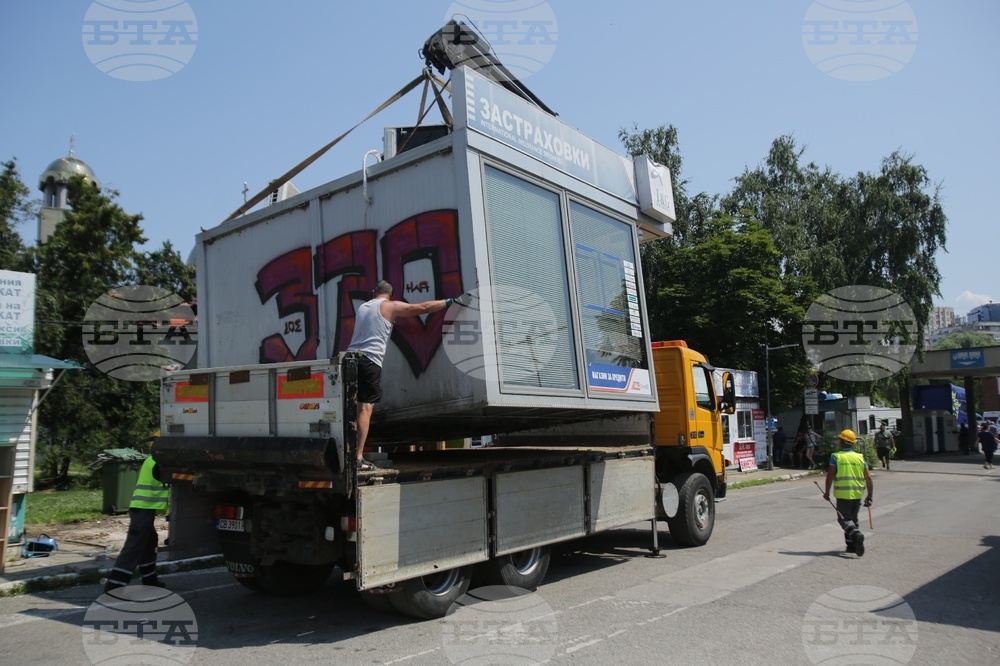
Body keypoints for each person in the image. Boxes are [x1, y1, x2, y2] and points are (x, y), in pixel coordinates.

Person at [346, 280, 464, 471]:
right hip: (370, 361)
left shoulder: (362, 307)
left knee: (348, 409)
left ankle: (347, 452)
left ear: (373, 291)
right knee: (365, 409)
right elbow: (422, 307)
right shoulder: (389, 306)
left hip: (350, 360)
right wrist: (450, 302)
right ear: (389, 295)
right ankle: (358, 457)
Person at [103, 454, 169, 593]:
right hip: (143, 509)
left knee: (150, 542)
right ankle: (114, 586)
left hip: (144, 509)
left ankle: (150, 579)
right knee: (134, 547)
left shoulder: (153, 459)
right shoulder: (158, 462)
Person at [823, 429, 874, 557]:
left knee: (844, 519)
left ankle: (856, 536)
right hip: (857, 493)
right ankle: (851, 546)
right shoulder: (860, 457)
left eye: (839, 440)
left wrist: (827, 492)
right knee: (853, 519)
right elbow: (868, 476)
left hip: (843, 494)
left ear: (842, 442)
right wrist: (870, 495)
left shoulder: (836, 456)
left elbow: (830, 475)